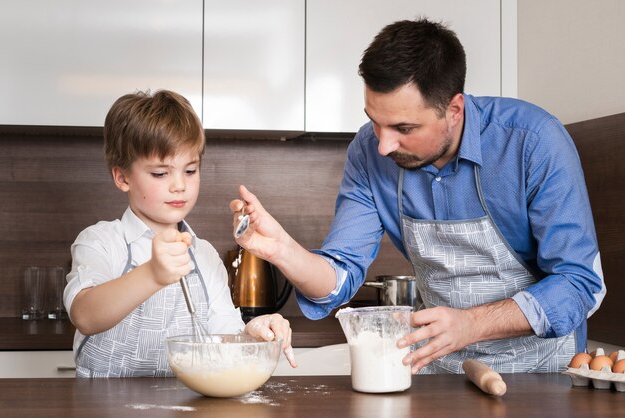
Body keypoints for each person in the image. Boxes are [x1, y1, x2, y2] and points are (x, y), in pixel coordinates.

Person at [230, 18, 606, 374]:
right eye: (375, 121)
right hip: (438, 371)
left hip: (543, 373)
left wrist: (471, 324)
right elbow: (339, 277)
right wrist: (281, 250)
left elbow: (580, 284)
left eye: (403, 127)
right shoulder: (367, 150)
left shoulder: (532, 141)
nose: (383, 145)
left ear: (454, 110)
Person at [64, 90, 296, 377]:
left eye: (190, 170)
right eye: (160, 174)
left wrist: (254, 333)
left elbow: (223, 338)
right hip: (101, 406)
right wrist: (153, 274)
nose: (179, 186)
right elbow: (85, 315)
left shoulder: (204, 255)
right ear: (122, 177)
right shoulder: (100, 241)